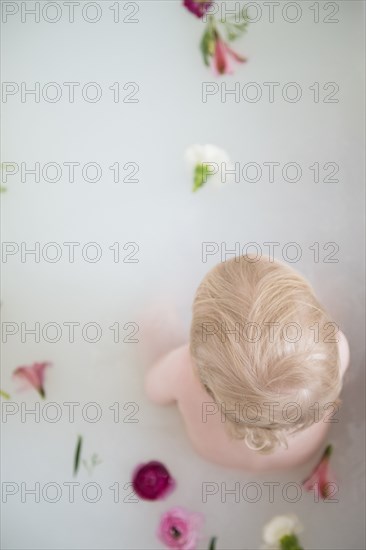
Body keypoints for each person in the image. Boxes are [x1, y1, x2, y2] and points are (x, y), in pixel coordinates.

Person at [145, 255, 350, 471]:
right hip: (302, 457)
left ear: (197, 354)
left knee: (154, 321)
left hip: (213, 457)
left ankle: (158, 307)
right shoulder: (337, 347)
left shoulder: (184, 368)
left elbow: (153, 391)